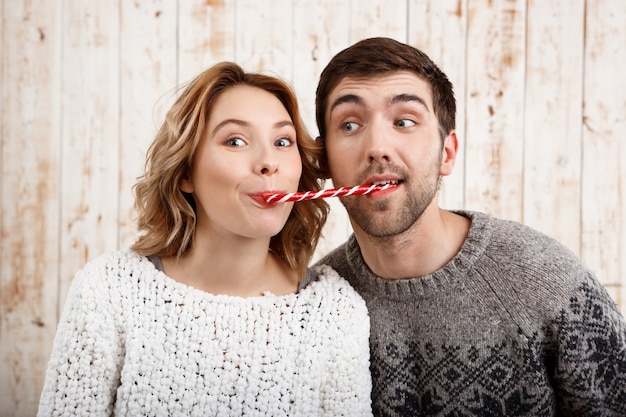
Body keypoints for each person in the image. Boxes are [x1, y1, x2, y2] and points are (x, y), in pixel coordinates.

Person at [38, 62, 372, 416]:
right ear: (185, 173)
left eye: (282, 141)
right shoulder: (108, 291)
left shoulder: (336, 314)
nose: (268, 162)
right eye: (235, 141)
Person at [314, 37, 626, 416]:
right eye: (349, 125)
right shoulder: (317, 307)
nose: (377, 146)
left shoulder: (548, 282)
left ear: (447, 153)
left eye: (404, 121)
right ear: (324, 161)